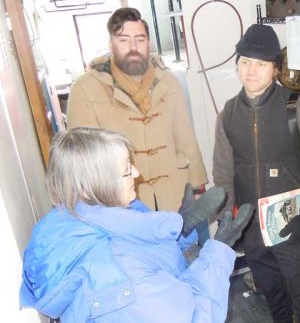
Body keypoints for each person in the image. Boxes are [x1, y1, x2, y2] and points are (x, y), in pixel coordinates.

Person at [19, 127, 253, 323]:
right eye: (126, 171)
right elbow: (196, 316)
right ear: (88, 186)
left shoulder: (78, 217)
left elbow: (142, 253)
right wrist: (219, 252)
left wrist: (181, 231)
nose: (137, 173)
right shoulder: (120, 276)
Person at [213, 24, 300, 323]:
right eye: (244, 62)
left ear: (275, 69)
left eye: (260, 64)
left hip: (292, 226)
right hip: (252, 229)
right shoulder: (227, 114)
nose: (250, 71)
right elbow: (223, 174)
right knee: (273, 297)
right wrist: (227, 221)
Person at [67, 7, 207, 211]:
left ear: (148, 44)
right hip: (121, 204)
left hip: (174, 194)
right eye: (124, 40)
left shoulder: (168, 81)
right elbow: (84, 161)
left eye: (140, 39)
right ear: (111, 44)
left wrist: (197, 184)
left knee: (189, 242)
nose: (133, 47)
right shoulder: (85, 90)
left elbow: (185, 137)